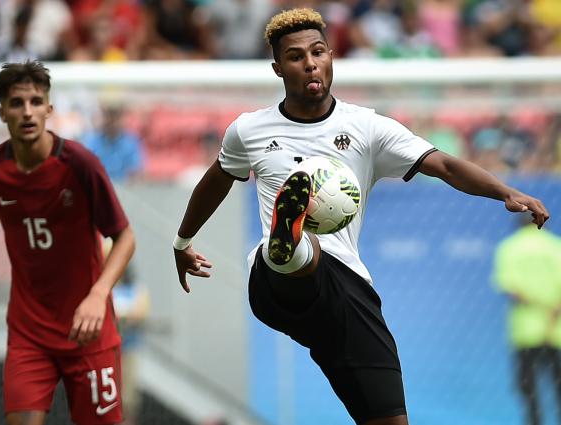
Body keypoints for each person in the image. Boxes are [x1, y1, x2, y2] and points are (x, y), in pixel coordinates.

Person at [172, 8, 550, 425]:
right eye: (296, 57)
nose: (310, 63)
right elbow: (218, 178)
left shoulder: (366, 127)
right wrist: (182, 242)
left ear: (332, 56)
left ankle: (291, 239)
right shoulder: (249, 130)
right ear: (278, 67)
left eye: (318, 52)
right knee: (299, 248)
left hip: (348, 293)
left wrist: (506, 191)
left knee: (389, 419)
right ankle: (287, 238)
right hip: (277, 283)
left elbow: (441, 164)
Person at [0, 61, 135, 425]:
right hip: (29, 332)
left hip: (88, 331)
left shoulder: (79, 164)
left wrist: (98, 294)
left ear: (49, 110)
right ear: (1, 112)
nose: (27, 112)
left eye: (36, 102)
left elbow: (124, 237)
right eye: (17, 103)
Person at [493, 215, 561, 425]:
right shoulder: (555, 246)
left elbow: (512, 289)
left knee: (529, 390)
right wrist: (551, 310)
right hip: (555, 331)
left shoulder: (509, 247)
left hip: (525, 332)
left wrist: (537, 305)